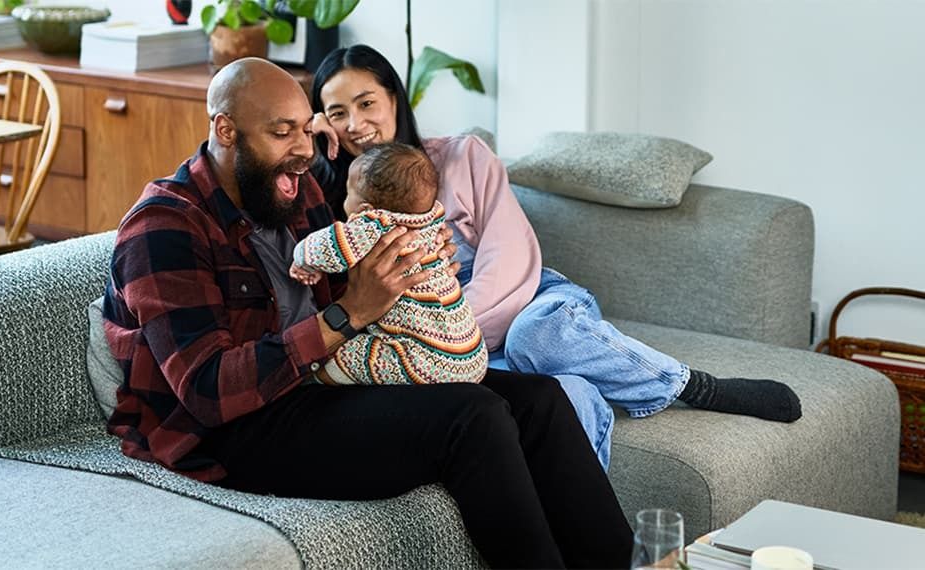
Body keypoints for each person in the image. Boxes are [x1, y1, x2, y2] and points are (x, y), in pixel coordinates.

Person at [101, 57, 632, 569]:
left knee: (540, 399)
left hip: (321, 384)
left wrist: (414, 262)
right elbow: (208, 391)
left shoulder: (293, 188)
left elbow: (354, 248)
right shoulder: (164, 227)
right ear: (226, 129)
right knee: (474, 417)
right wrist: (347, 316)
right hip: (231, 428)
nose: (302, 151)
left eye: (305, 131)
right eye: (282, 132)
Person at [309, 44, 803, 471]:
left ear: (394, 96)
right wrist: (310, 156)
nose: (356, 124)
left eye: (366, 102)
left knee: (535, 335)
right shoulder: (340, 207)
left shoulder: (462, 156)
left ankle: (694, 386)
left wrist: (450, 337)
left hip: (524, 303)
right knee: (566, 397)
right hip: (452, 349)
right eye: (335, 113)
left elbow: (511, 255)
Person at [290, 142, 487, 386]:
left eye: (347, 192)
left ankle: (315, 382)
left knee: (353, 353)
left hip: (423, 361)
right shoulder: (432, 223)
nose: (344, 199)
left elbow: (328, 247)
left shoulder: (376, 226)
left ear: (365, 209)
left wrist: (302, 259)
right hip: (472, 354)